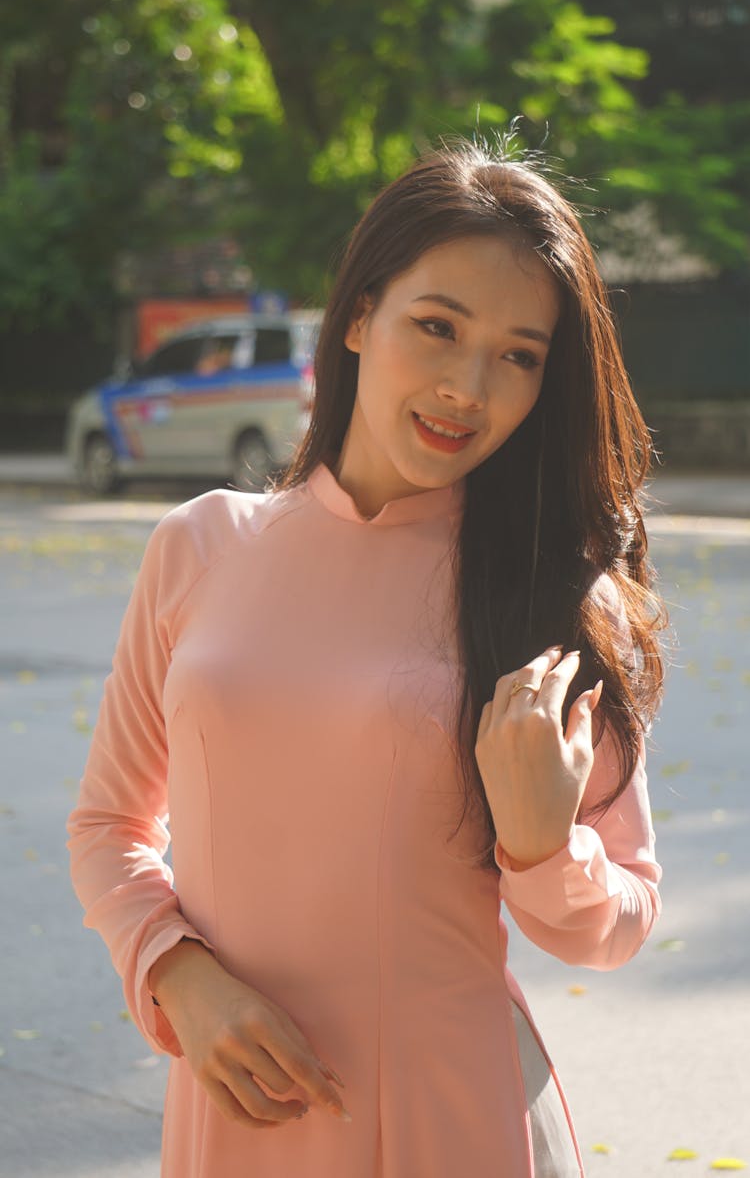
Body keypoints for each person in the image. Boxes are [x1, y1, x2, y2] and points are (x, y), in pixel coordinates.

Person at [67, 138, 667, 1178]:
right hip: (236, 1110)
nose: (468, 386)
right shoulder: (199, 546)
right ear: (356, 317)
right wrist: (176, 973)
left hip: (453, 1113)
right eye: (437, 327)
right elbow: (109, 823)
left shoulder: (543, 598)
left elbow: (617, 920)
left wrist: (540, 846)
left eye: (518, 354)